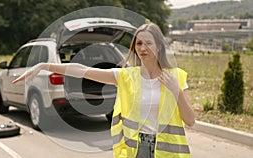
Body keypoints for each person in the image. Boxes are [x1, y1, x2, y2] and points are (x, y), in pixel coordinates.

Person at [12, 22, 195, 158]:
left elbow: (190, 121)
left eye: (148, 43)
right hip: (137, 149)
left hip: (168, 152)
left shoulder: (176, 76)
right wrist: (44, 65)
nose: (142, 48)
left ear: (159, 46)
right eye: (138, 43)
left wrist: (176, 91)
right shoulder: (126, 76)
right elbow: (81, 71)